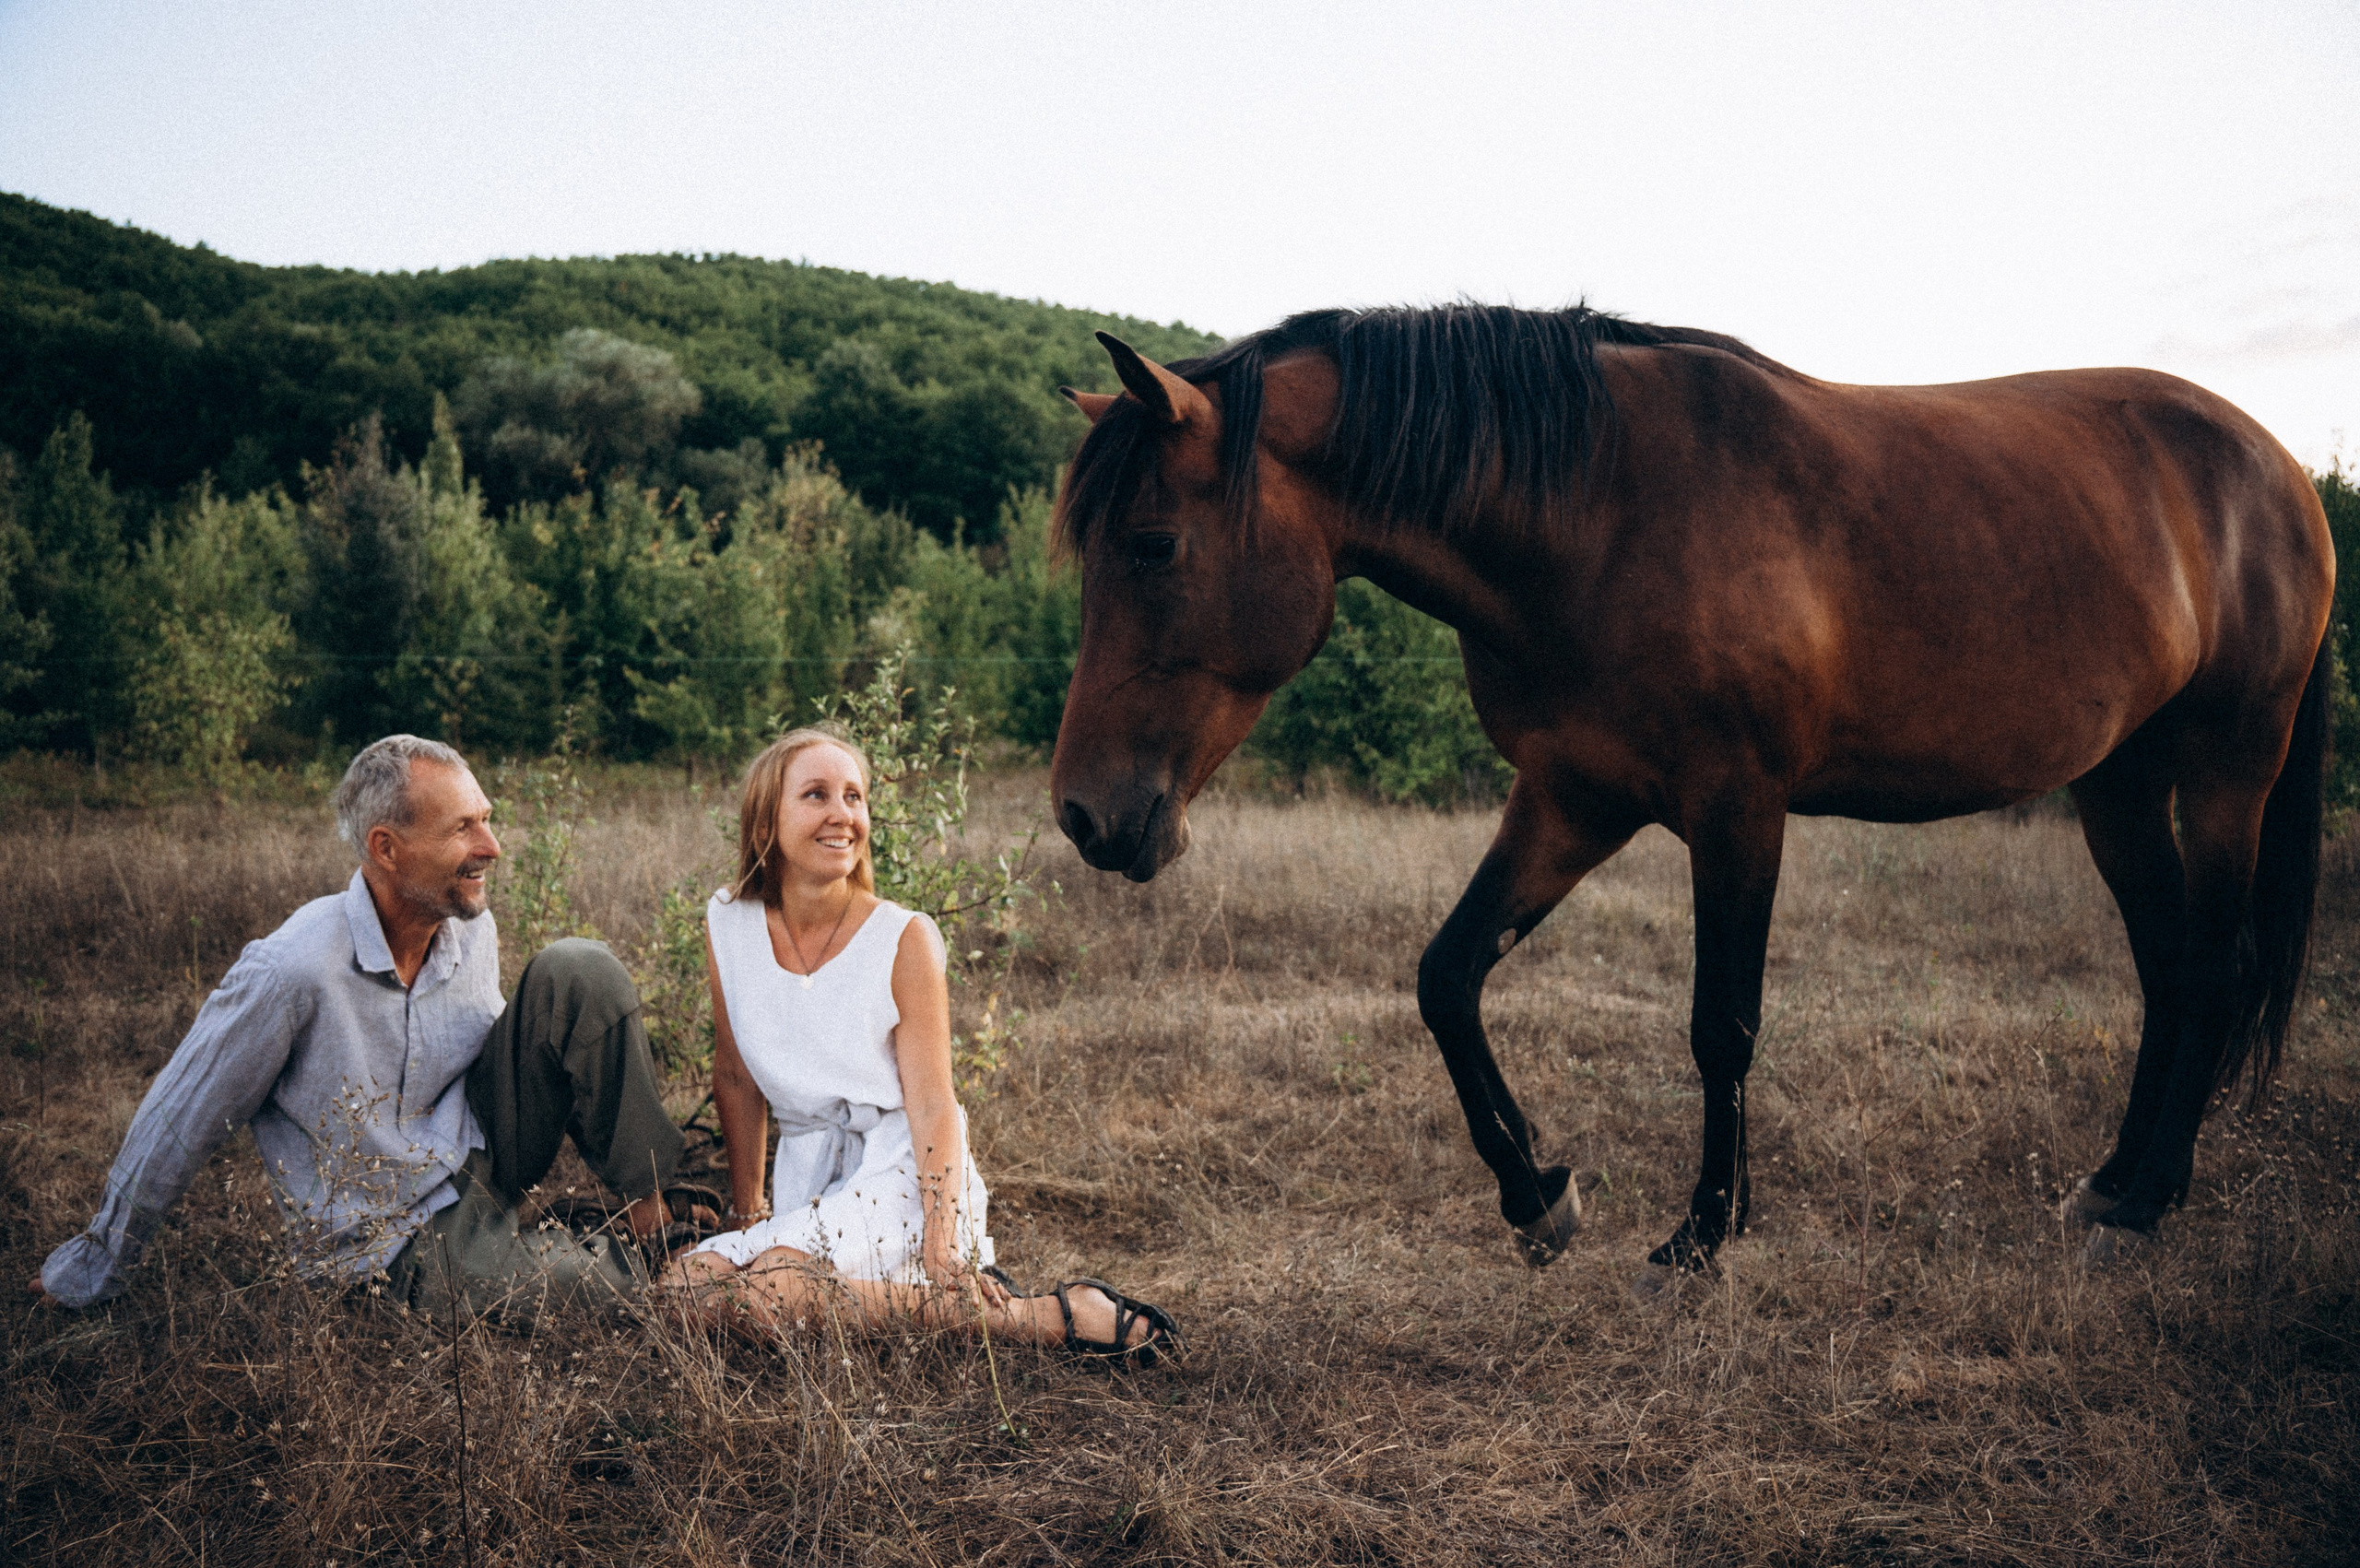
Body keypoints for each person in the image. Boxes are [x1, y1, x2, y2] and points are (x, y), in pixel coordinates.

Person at [30, 735, 708, 1320]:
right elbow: (178, 1119)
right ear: (387, 847)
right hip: (389, 1238)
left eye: (487, 820)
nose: (492, 847)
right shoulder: (293, 970)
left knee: (580, 968)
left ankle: (647, 1209)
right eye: (463, 829)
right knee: (585, 1286)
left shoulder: (469, 927)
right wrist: (96, 1263)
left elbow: (504, 1056)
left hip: (479, 1157)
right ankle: (670, 1264)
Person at [659, 725, 1180, 1364]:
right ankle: (935, 1309)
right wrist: (749, 1212)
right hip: (810, 1174)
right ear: (766, 822)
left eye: (854, 796)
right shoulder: (729, 921)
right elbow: (736, 1076)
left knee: (772, 1290)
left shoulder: (903, 938)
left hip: (898, 1168)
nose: (842, 814)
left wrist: (942, 1242)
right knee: (685, 1287)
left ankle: (1045, 1317)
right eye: (816, 794)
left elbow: (934, 1104)